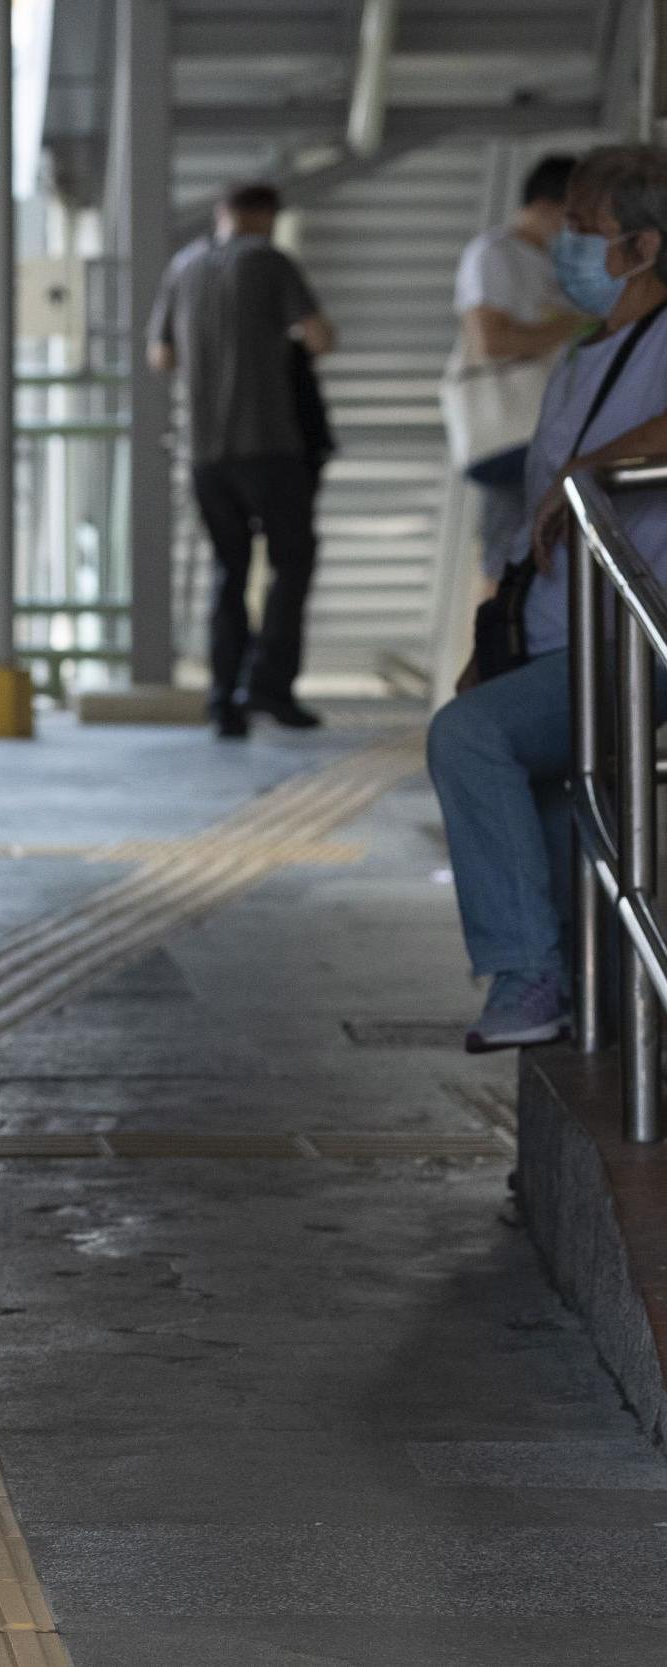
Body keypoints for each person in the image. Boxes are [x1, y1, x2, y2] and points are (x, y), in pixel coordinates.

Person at [429, 144, 667, 1052]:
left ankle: (529, 974)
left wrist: (604, 462)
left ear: (641, 247)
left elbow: (591, 471)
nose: (565, 248)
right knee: (547, 793)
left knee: (472, 738)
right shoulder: (582, 355)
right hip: (555, 634)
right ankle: (584, 995)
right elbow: (538, 518)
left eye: (584, 230)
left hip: (627, 643)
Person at [148, 180, 338, 738]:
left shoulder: (183, 267)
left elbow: (160, 356)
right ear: (265, 216)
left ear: (220, 213)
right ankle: (270, 687)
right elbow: (321, 338)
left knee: (228, 571)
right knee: (291, 562)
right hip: (272, 447)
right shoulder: (270, 261)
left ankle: (221, 700)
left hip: (207, 454)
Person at [453, 154, 590, 575]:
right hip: (514, 434)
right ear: (549, 205)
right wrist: (571, 328)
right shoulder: (494, 254)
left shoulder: (552, 261)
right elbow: (491, 341)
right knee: (510, 555)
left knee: (552, 550)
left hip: (549, 429)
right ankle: (498, 639)